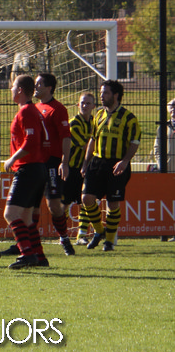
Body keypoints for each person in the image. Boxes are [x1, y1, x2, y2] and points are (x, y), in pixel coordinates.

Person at [80, 79, 141, 252]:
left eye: (105, 93)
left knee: (113, 204)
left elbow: (135, 142)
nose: (101, 96)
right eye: (101, 92)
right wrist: (85, 163)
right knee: (86, 198)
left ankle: (108, 242)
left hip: (117, 163)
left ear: (116, 95)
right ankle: (99, 231)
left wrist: (125, 161)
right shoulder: (98, 115)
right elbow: (92, 140)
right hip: (97, 162)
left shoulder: (129, 118)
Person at [1, 74, 50, 269]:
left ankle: (27, 254)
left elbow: (31, 141)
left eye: (13, 86)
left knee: (10, 214)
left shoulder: (27, 112)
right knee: (27, 218)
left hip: (28, 169)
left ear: (20, 90)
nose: (11, 90)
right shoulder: (32, 111)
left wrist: (13, 159)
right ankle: (39, 257)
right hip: (37, 168)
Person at [35, 73, 76, 256]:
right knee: (31, 205)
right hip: (35, 163)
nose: (35, 87)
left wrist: (64, 162)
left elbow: (66, 137)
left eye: (39, 84)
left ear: (49, 87)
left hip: (52, 163)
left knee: (54, 205)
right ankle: (29, 244)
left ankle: (64, 238)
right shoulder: (34, 108)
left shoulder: (58, 109)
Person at [65, 92, 98, 243]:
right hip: (71, 168)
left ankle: (82, 235)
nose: (85, 105)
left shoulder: (95, 123)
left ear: (93, 106)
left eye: (88, 103)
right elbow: (87, 146)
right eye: (82, 103)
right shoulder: (73, 123)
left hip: (87, 168)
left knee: (86, 201)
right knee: (64, 204)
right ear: (78, 105)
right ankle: (63, 235)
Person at [150, 99, 175, 172]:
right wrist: (160, 164)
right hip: (167, 170)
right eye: (171, 107)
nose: (173, 109)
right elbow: (157, 147)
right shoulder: (163, 127)